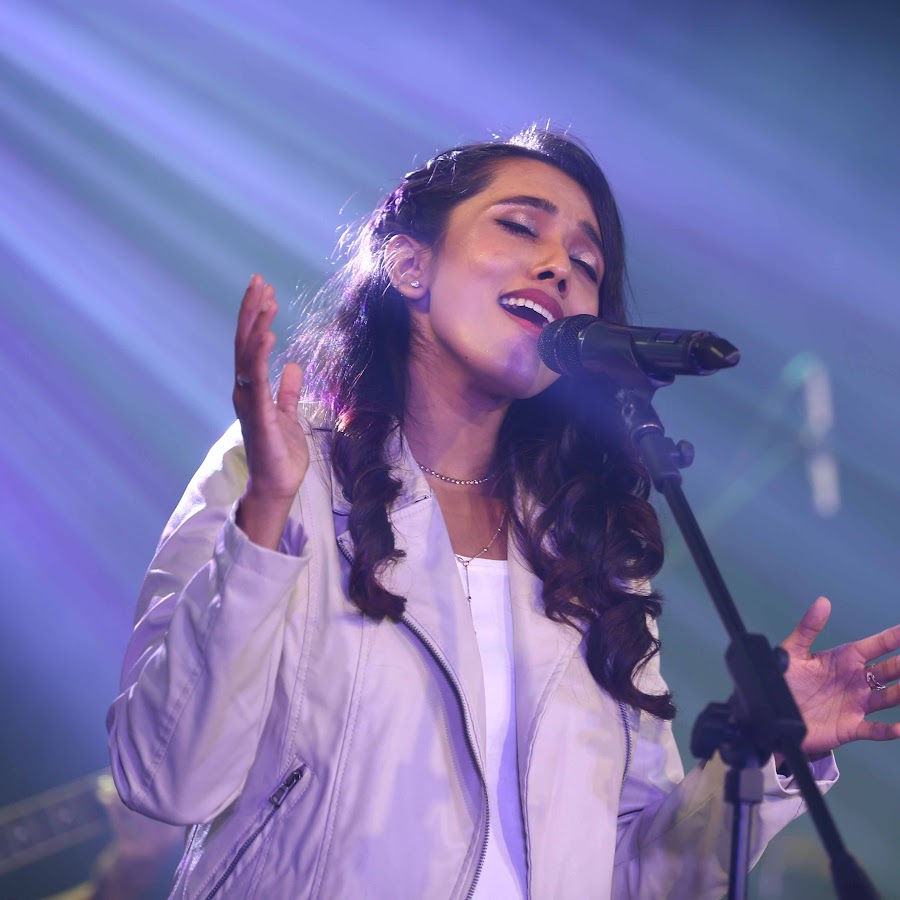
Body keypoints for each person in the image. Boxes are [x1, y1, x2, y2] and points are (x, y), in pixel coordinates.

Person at [107, 126, 900, 899]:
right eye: (520, 227)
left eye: (586, 264)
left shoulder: (590, 555)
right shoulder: (284, 468)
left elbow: (631, 876)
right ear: (410, 264)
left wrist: (763, 760)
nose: (558, 266)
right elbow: (167, 777)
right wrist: (262, 523)